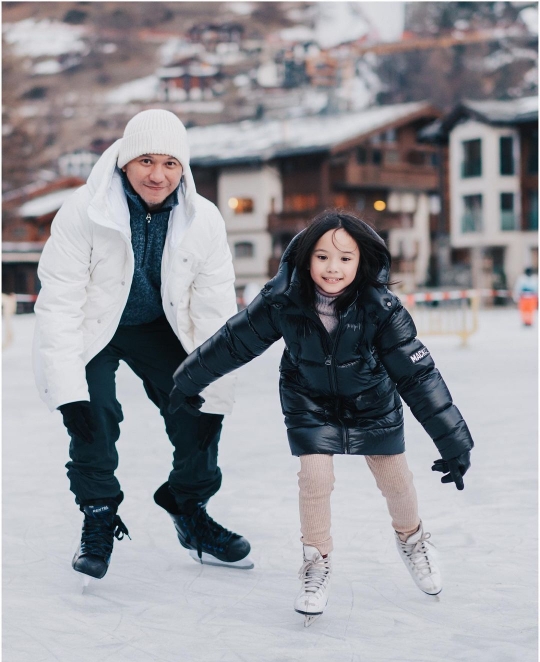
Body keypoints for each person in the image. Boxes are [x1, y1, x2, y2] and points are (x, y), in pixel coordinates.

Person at [169, 210, 473, 625]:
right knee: (315, 477)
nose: (333, 268)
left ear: (361, 262)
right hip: (308, 399)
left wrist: (453, 442)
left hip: (371, 401)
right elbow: (234, 342)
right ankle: (317, 562)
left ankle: (413, 539)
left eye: (345, 259)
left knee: (395, 478)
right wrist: (187, 381)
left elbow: (418, 375)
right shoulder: (282, 300)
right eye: (323, 257)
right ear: (305, 259)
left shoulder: (381, 308)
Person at [33, 109, 253, 581]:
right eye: (147, 161)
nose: (158, 175)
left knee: (196, 414)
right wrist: (70, 396)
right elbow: (60, 305)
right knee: (94, 416)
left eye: (171, 163)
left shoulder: (205, 220)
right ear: (125, 163)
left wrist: (213, 390)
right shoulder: (83, 211)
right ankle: (98, 515)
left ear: (184, 168)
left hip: (158, 324)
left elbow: (213, 309)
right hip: (96, 324)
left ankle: (188, 507)